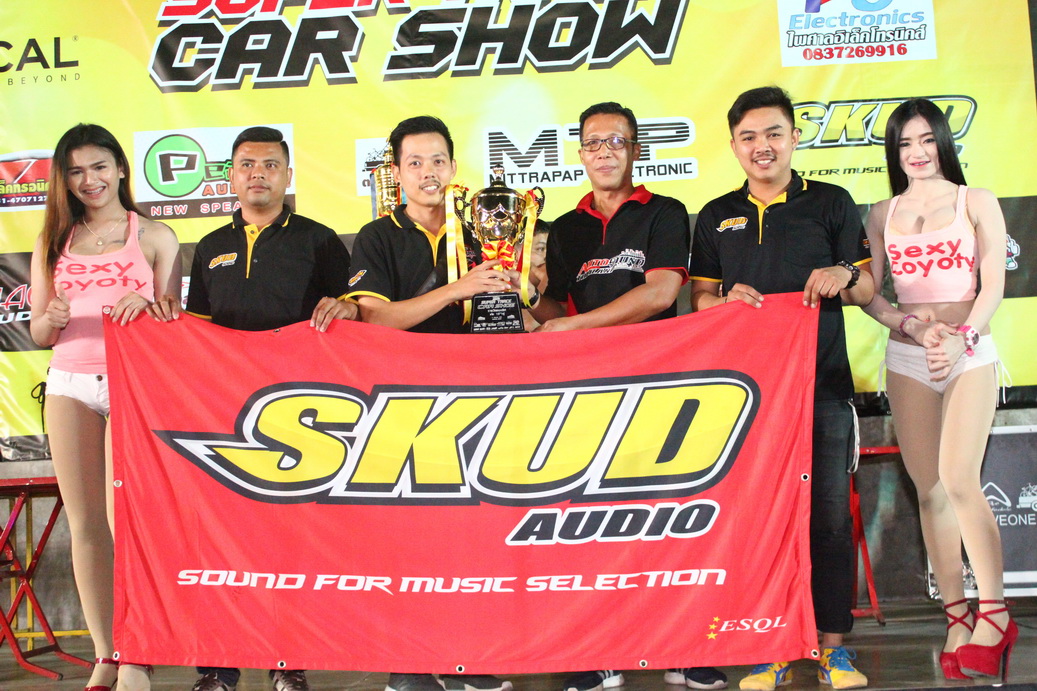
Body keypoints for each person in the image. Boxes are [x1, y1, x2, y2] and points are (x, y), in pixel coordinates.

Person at [524, 102, 723, 691]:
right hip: (586, 389)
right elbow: (555, 310)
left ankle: (681, 648)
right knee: (593, 523)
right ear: (580, 154)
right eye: (593, 143)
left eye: (616, 141)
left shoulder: (665, 212)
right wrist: (527, 295)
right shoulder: (566, 228)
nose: (604, 151)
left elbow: (661, 293)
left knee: (668, 520)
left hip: (659, 382)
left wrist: (572, 326)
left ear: (636, 150)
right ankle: (600, 649)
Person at [149, 126, 355, 691]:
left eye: (269, 164)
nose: (257, 173)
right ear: (230, 176)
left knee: (289, 542)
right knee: (220, 540)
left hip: (299, 416)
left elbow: (351, 318)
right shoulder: (210, 245)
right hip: (224, 411)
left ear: (288, 175)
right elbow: (201, 332)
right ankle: (219, 666)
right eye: (246, 164)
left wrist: (347, 310)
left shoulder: (320, 241)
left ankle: (289, 664)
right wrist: (163, 323)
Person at [689, 86, 874, 691]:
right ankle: (769, 646)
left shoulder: (831, 202)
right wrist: (723, 300)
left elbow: (868, 288)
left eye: (773, 133)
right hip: (748, 399)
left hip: (823, 389)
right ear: (733, 146)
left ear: (794, 137)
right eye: (748, 137)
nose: (761, 146)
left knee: (829, 522)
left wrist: (842, 273)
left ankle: (833, 649)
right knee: (760, 522)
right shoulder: (716, 214)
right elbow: (699, 298)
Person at [346, 115, 512, 691]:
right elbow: (377, 319)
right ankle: (412, 660)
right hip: (406, 401)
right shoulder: (378, 236)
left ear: (453, 166)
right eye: (414, 163)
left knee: (480, 532)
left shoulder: (485, 226)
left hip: (483, 395)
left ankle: (474, 652)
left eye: (437, 160)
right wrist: (458, 289)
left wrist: (524, 290)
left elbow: (513, 303)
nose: (427, 172)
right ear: (397, 173)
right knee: (411, 538)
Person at [861, 99, 1012, 681]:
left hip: (969, 353)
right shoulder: (881, 213)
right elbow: (871, 296)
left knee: (959, 479)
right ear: (894, 153)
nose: (917, 153)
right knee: (929, 492)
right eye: (904, 144)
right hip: (909, 357)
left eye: (926, 140)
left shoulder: (977, 201)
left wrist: (962, 338)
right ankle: (956, 618)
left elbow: (993, 286)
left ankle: (995, 613)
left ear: (943, 142)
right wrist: (912, 326)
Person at [29, 123, 181, 691]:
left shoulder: (155, 235)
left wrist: (149, 304)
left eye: (98, 166)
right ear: (64, 180)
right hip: (69, 384)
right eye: (75, 171)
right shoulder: (53, 240)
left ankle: (138, 654)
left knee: (129, 525)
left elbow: (174, 319)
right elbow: (39, 332)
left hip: (133, 386)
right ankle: (105, 653)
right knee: (87, 525)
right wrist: (51, 319)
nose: (88, 180)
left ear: (120, 168)